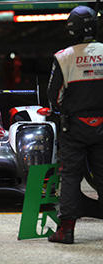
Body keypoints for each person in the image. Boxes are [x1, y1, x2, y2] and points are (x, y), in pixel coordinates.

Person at [47, 5, 103, 244]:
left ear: (72, 29)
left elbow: (54, 96)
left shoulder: (64, 57)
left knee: (70, 176)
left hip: (75, 128)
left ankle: (66, 230)